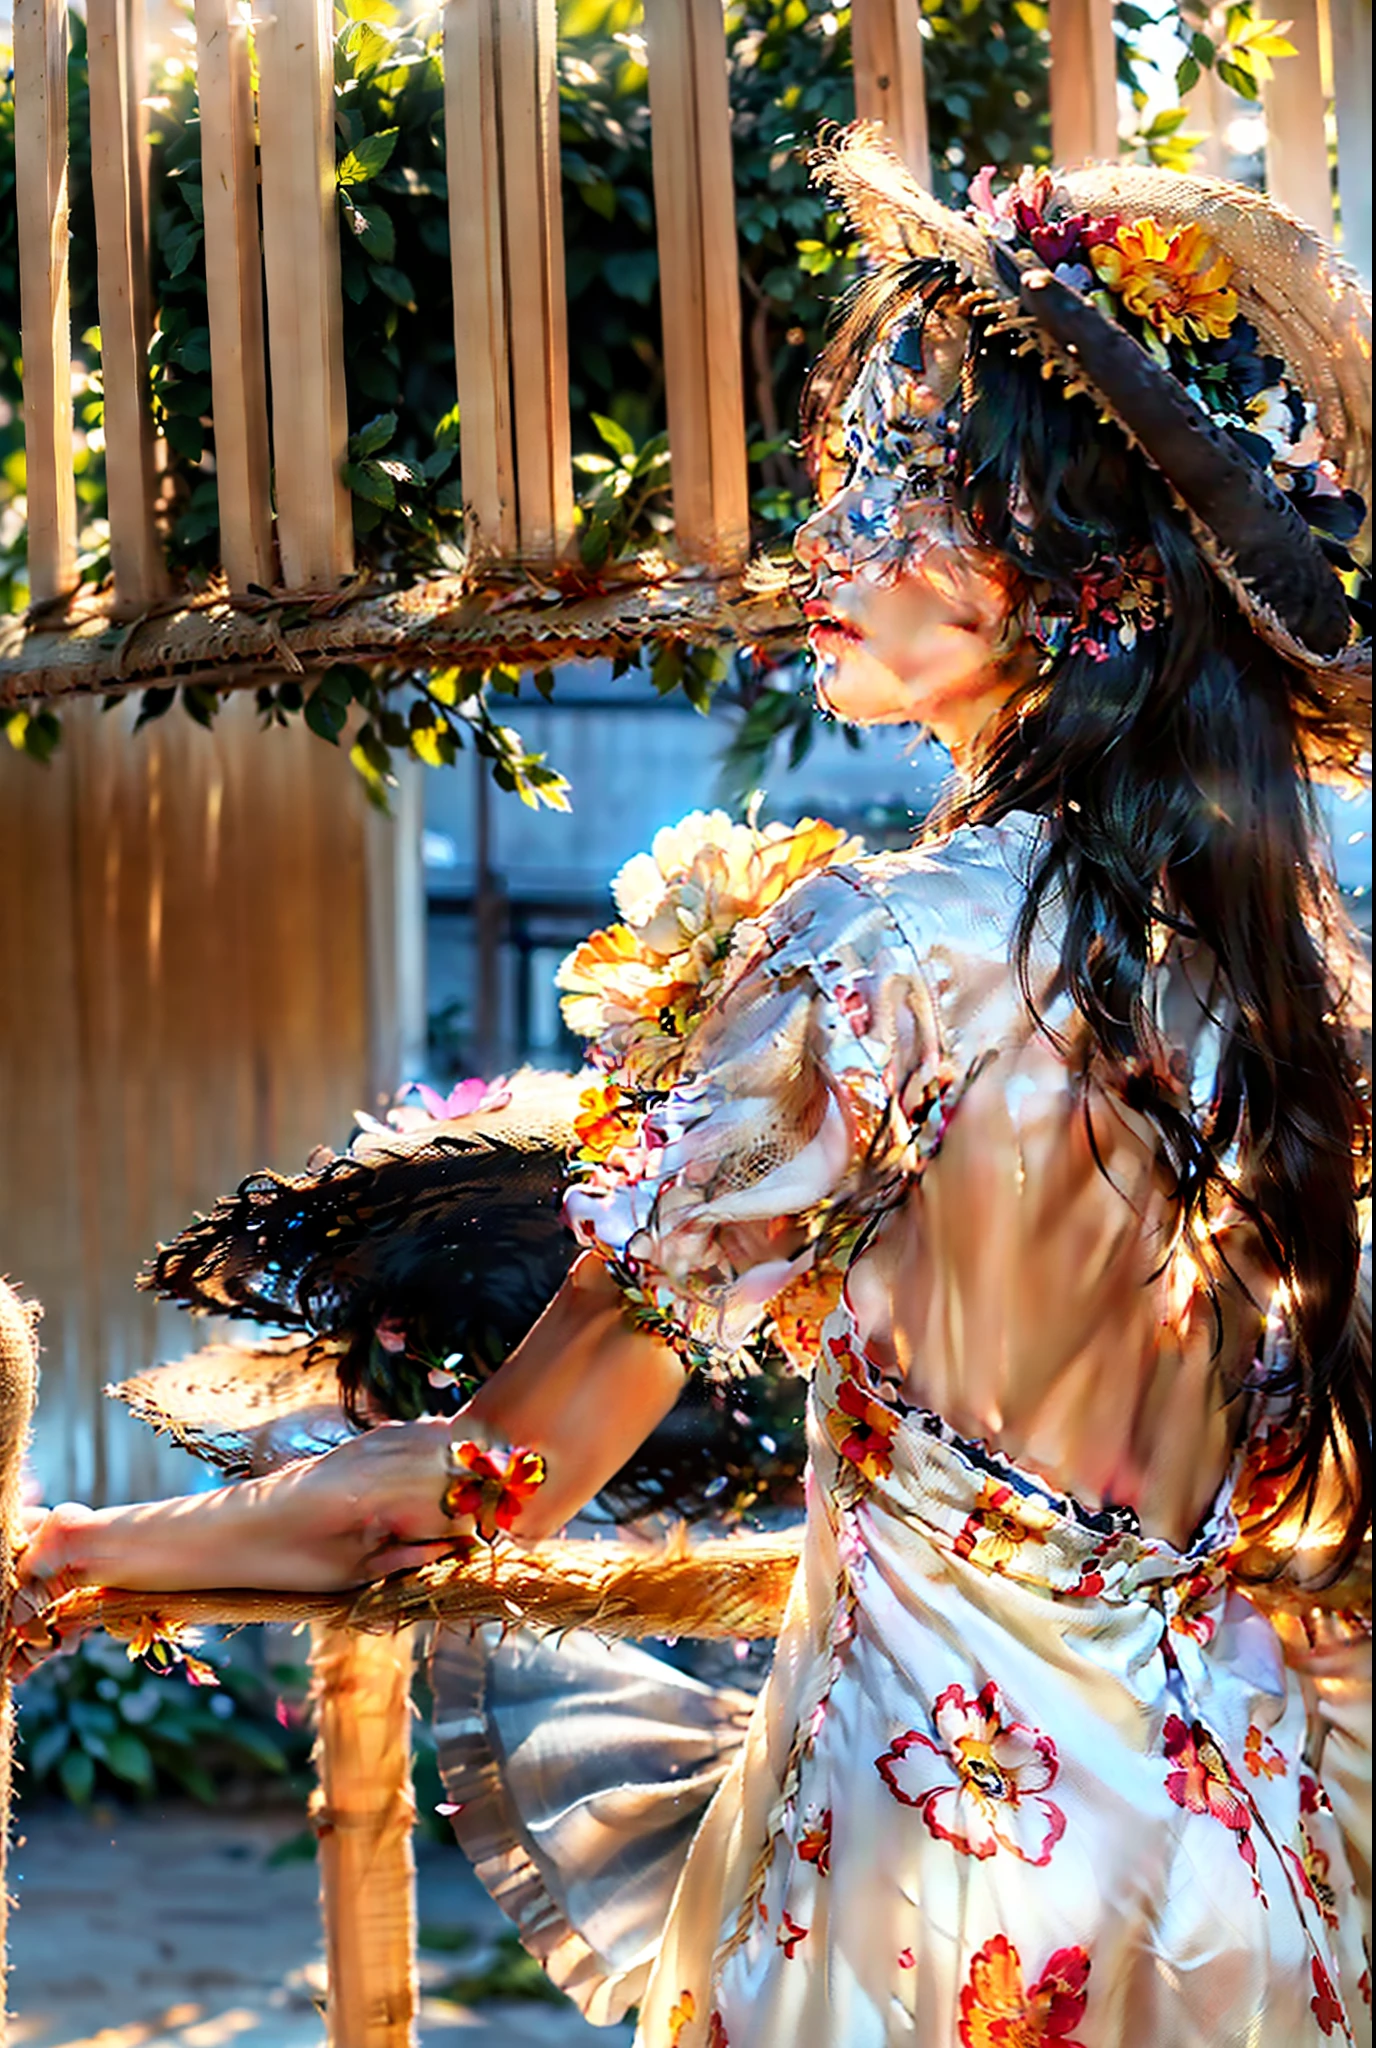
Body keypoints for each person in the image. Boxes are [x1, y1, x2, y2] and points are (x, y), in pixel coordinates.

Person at [9, 137, 1371, 2047]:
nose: (836, 545)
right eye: (853, 476)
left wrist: (81, 1558)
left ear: (1098, 587)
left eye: (912, 490)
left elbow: (493, 1478)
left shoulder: (876, 960)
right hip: (1257, 1877)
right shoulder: (1303, 988)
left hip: (940, 1899)